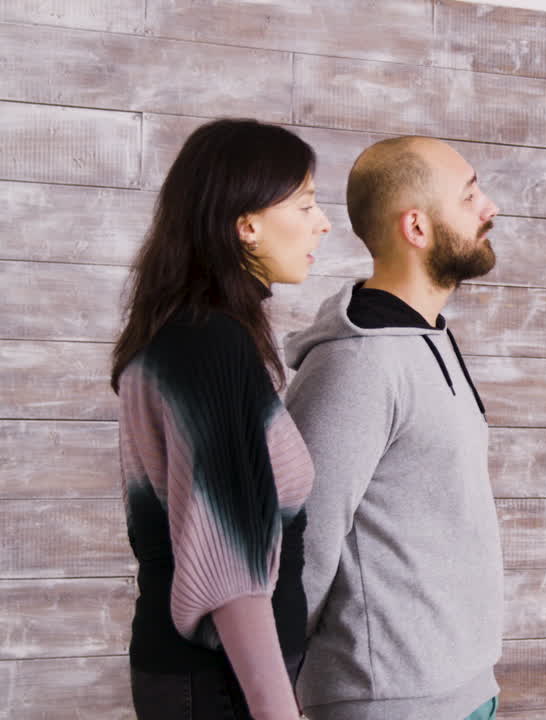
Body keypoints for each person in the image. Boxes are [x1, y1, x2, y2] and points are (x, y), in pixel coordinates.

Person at [112, 118, 331, 720]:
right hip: (219, 683)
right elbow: (227, 563)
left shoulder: (187, 332)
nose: (324, 223)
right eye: (307, 204)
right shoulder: (209, 342)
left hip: (210, 677)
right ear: (247, 225)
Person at [284, 136, 503, 720]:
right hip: (387, 701)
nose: (490, 209)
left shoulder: (431, 338)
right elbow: (301, 544)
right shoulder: (356, 365)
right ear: (417, 227)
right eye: (470, 195)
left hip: (465, 688)